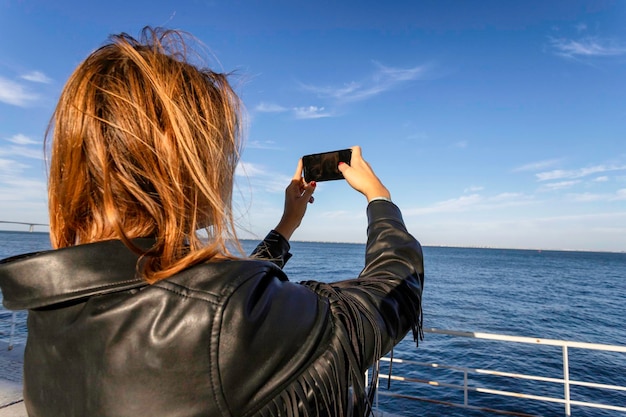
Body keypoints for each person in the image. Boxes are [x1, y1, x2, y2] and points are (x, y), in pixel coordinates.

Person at [0, 27, 424, 417]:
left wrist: (286, 226)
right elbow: (390, 295)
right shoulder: (224, 318)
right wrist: (378, 197)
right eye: (219, 150)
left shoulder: (52, 310)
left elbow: (212, 297)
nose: (226, 169)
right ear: (181, 164)